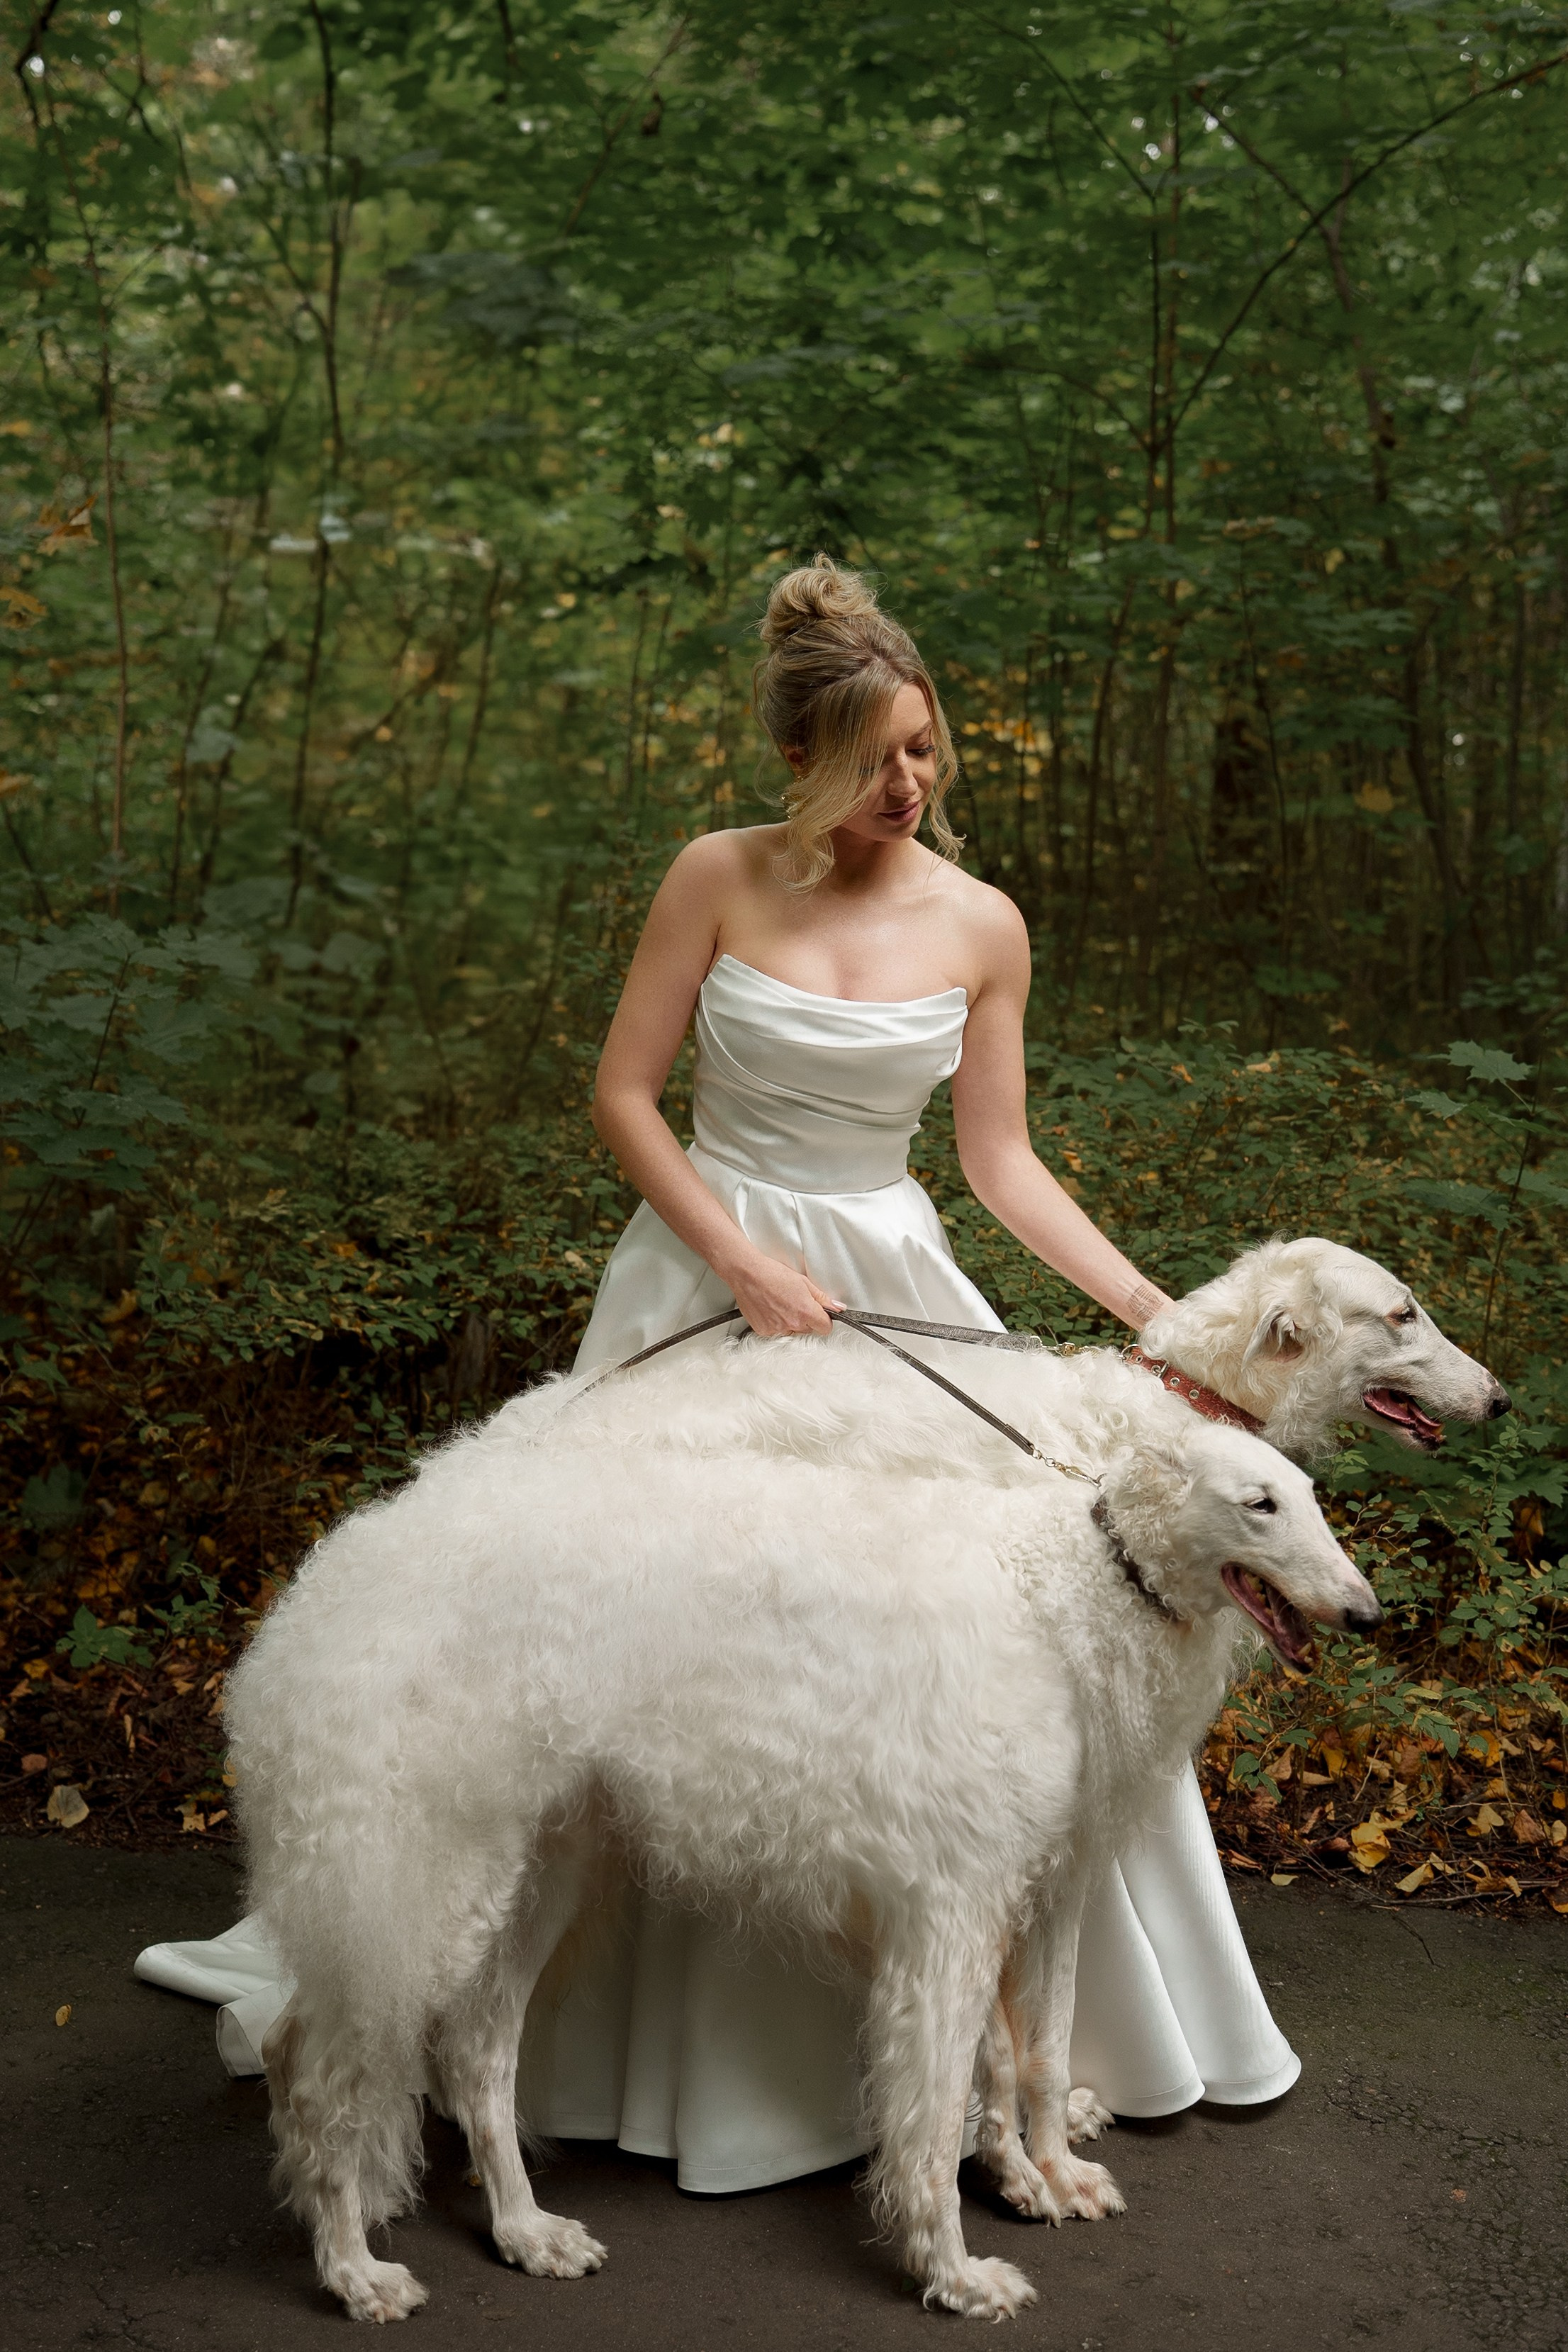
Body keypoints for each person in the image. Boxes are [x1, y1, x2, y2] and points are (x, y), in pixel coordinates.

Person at [135, 556, 1297, 2183]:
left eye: (926, 746)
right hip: (704, 1273)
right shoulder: (716, 878)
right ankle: (592, 2051)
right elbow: (622, 1095)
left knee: (967, 1635)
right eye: (880, 756)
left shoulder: (980, 923)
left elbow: (1001, 1160)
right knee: (641, 1622)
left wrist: (1156, 1324)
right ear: (804, 759)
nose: (913, 782)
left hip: (888, 1285)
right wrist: (740, 1256)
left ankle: (1012, 2053)